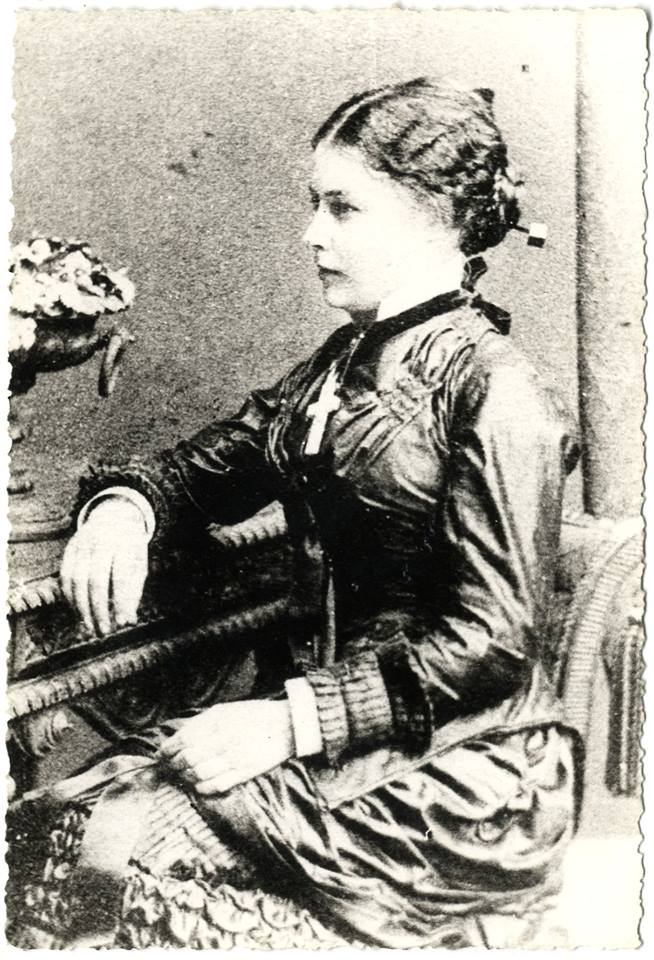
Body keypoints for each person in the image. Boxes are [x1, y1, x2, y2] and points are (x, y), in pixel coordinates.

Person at [7, 78, 582, 949]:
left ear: (435, 219)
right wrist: (125, 508)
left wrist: (288, 721)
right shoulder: (341, 363)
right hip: (332, 738)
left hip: (460, 768)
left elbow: (491, 647)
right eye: (316, 204)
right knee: (55, 828)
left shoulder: (499, 392)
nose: (313, 233)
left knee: (108, 853)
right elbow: (211, 467)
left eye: (343, 208)